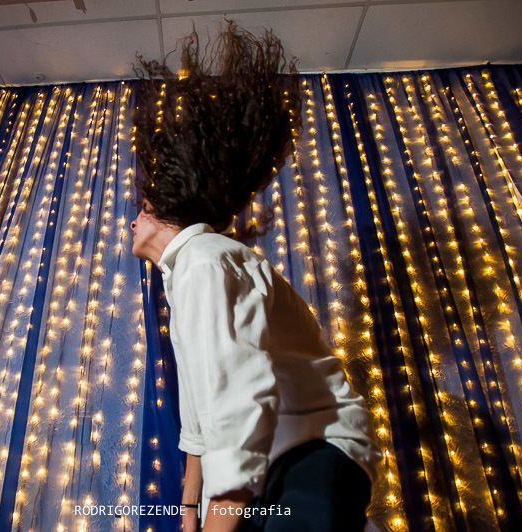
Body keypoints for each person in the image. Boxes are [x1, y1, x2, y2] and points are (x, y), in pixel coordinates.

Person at [130, 21, 382, 532]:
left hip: (314, 452)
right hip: (278, 466)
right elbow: (201, 414)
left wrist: (216, 520)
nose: (132, 221)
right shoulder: (188, 272)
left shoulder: (205, 260)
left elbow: (239, 407)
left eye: (139, 207)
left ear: (161, 206)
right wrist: (189, 513)